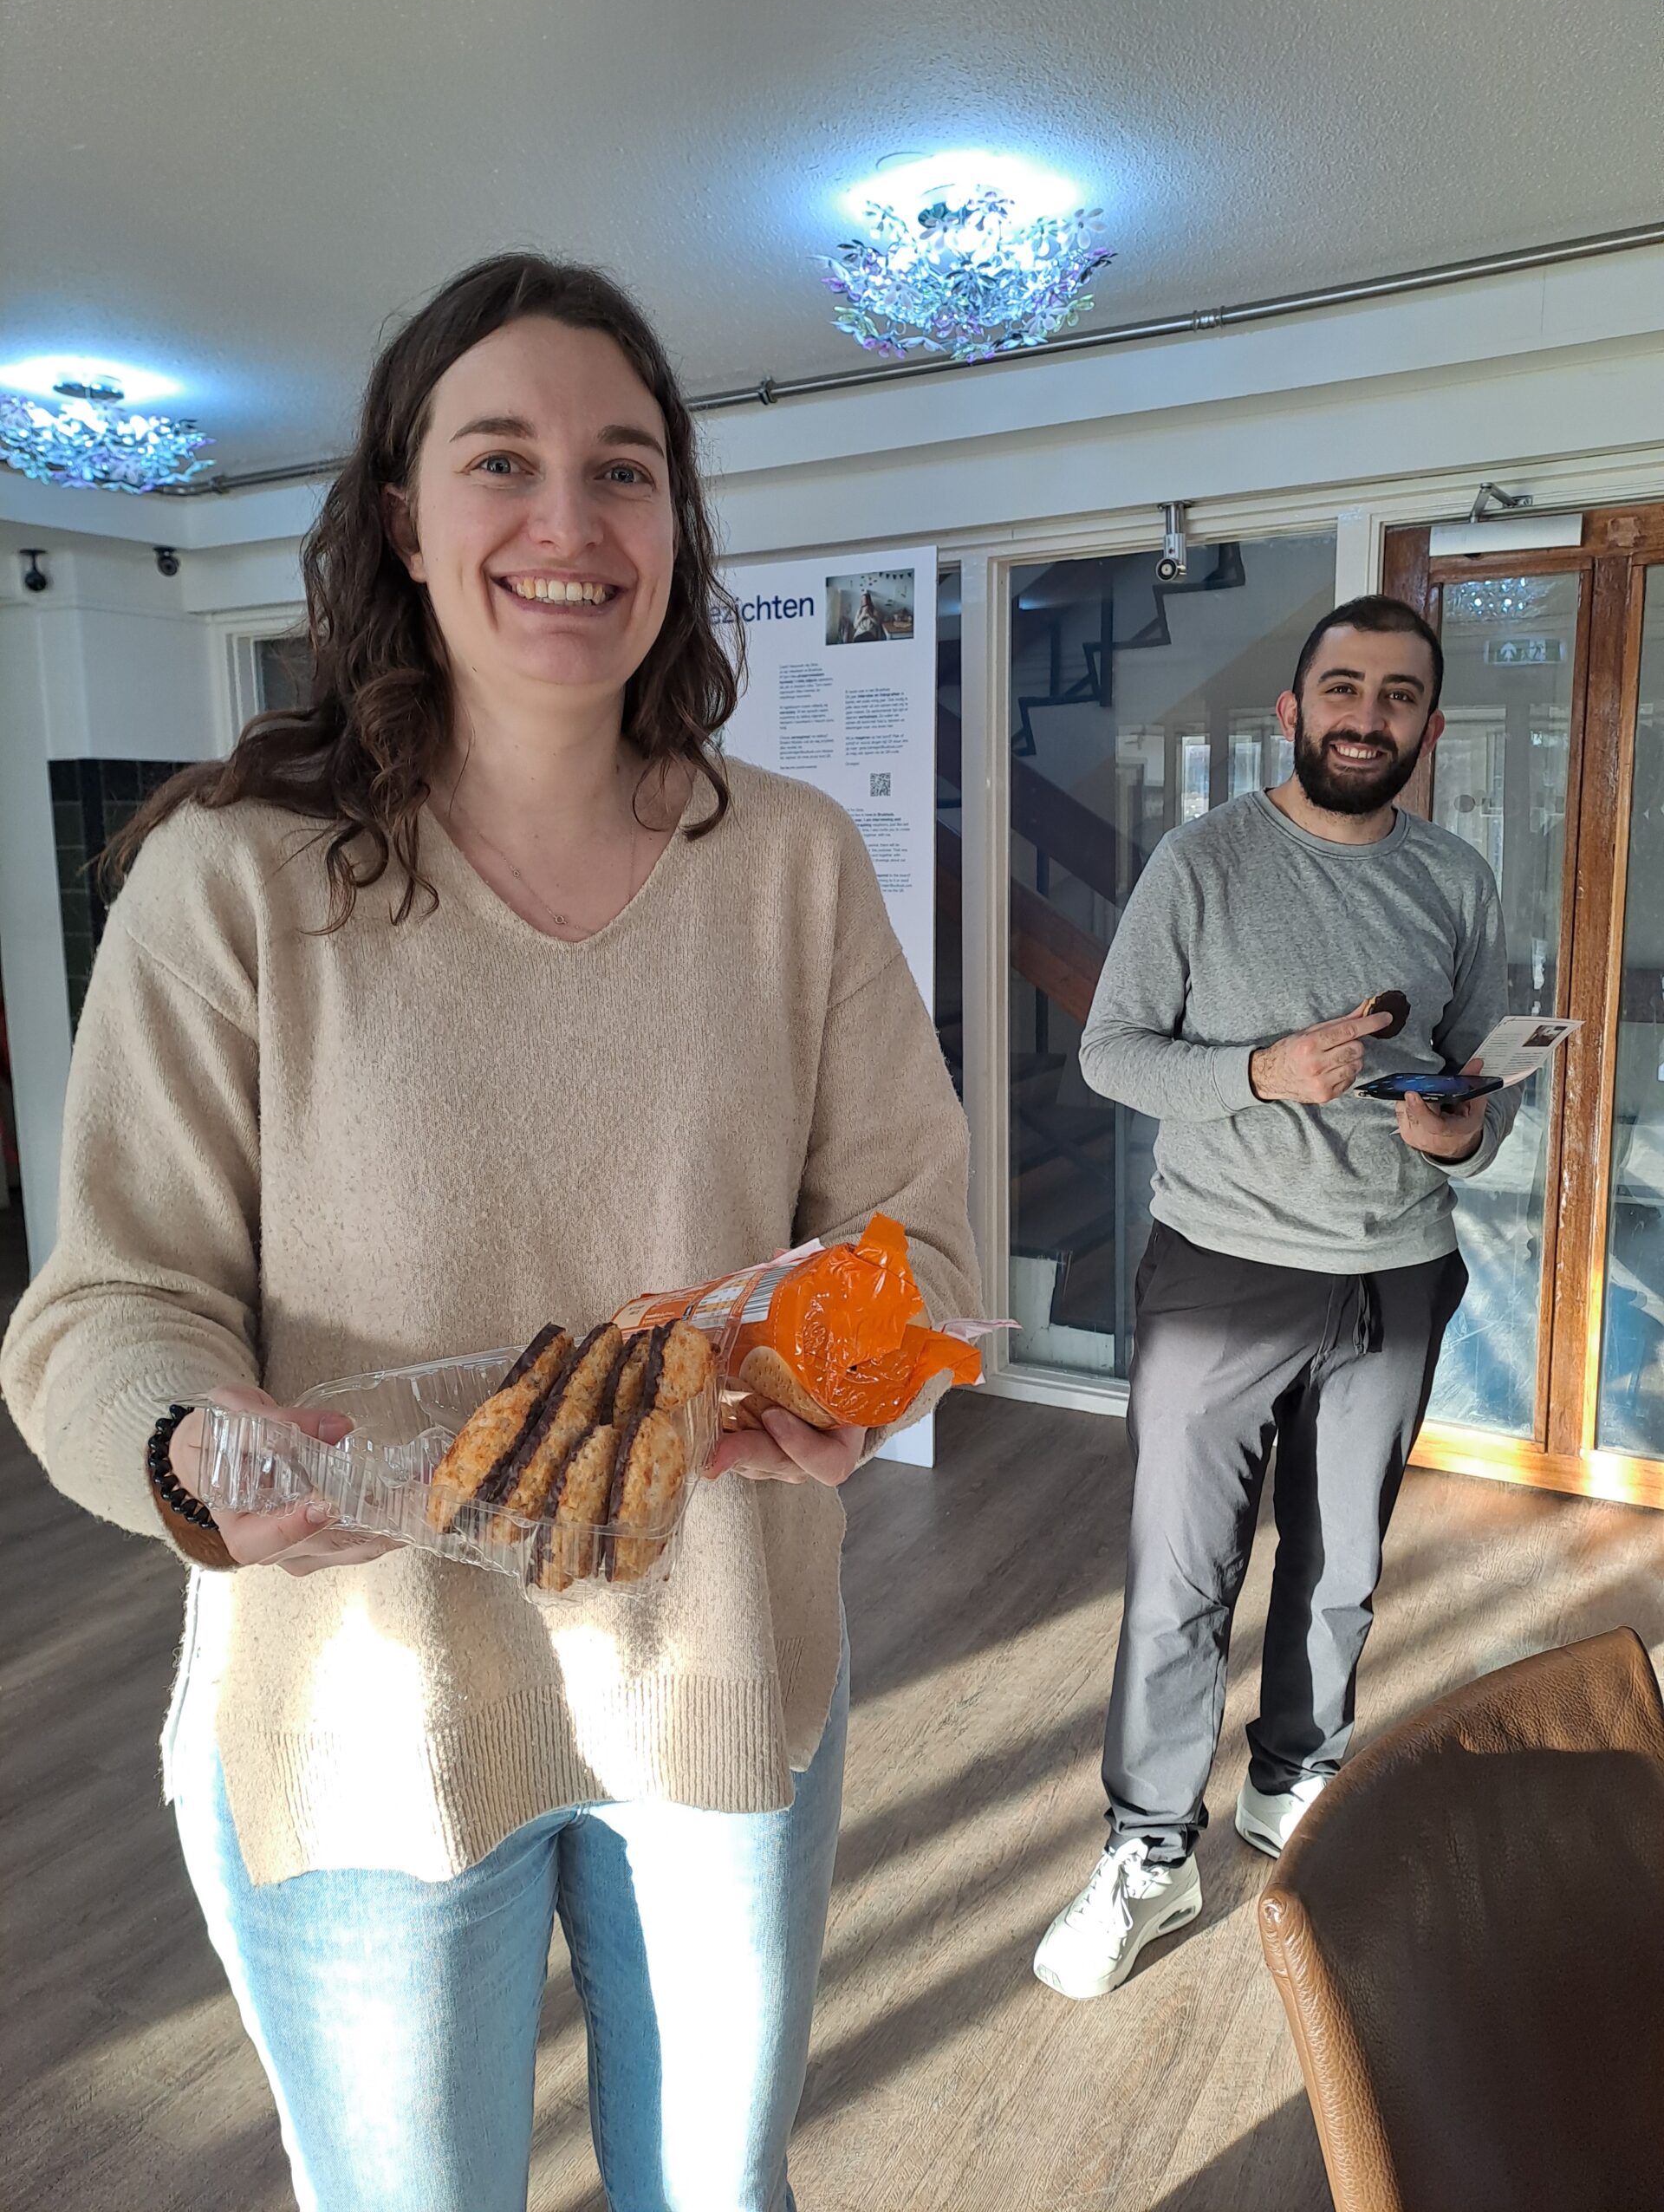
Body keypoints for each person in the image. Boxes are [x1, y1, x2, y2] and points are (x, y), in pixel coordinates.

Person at [0, 253, 978, 2209]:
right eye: (502, 460)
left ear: (676, 525)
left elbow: (920, 1241)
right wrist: (192, 1445)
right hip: (364, 1706)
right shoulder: (230, 880)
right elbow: (112, 1298)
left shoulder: (790, 865)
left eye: (624, 470)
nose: (569, 522)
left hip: (717, 1679)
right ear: (401, 518)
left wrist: (844, 1376)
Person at [1032, 594, 1517, 2001]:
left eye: (1399, 696)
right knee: (1183, 1577)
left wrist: (1457, 1133)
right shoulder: (1202, 863)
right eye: (1344, 689)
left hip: (1396, 1268)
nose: (1369, 716)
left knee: (1341, 1566)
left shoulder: (1457, 880)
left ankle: (1292, 1775)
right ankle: (1150, 1848)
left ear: (1428, 727)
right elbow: (1113, 1054)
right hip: (1223, 1270)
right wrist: (1260, 1071)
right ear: (1294, 711)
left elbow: (1476, 1085)